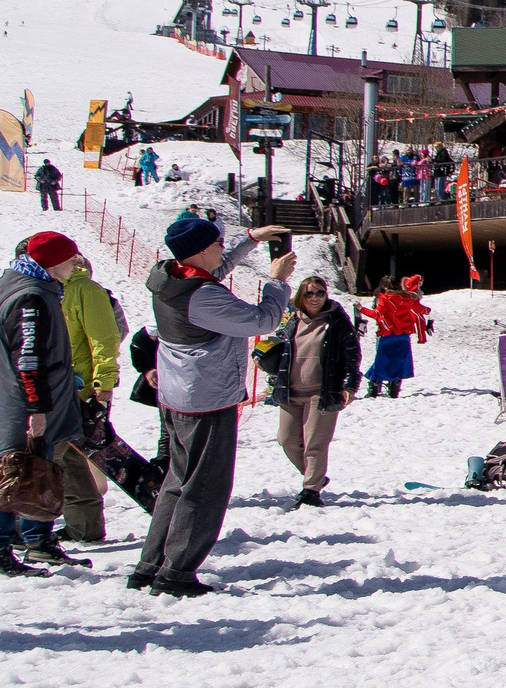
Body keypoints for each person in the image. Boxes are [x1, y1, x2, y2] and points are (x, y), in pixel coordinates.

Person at [132, 215, 294, 597]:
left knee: (178, 481)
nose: (223, 248)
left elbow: (213, 269)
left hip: (179, 393)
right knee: (204, 487)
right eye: (219, 243)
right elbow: (262, 320)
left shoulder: (170, 278)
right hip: (207, 397)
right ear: (202, 250)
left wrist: (250, 238)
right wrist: (277, 282)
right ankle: (177, 573)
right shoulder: (202, 296)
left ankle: (151, 565)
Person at [1, 231, 90, 572]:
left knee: (32, 468)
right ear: (52, 261)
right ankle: (9, 545)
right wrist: (35, 407)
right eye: (70, 258)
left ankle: (38, 540)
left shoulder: (21, 283)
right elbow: (28, 356)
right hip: (24, 400)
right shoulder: (32, 296)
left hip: (22, 395)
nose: (76, 264)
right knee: (18, 471)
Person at [262, 276, 360, 506]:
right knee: (286, 440)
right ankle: (315, 475)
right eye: (309, 294)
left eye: (319, 293)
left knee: (315, 442)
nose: (315, 298)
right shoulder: (292, 322)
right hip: (291, 391)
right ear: (300, 297)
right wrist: (266, 359)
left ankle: (311, 490)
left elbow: (351, 355)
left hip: (322, 391)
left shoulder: (337, 321)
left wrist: (349, 385)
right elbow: (280, 351)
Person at [55, 251, 125, 544]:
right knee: (69, 455)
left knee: (69, 454)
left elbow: (107, 338)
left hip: (77, 387)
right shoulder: (53, 292)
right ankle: (82, 524)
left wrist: (102, 383)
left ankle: (84, 525)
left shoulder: (84, 291)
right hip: (60, 386)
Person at [359, 275, 429, 397]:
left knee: (381, 361)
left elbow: (376, 314)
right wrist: (428, 311)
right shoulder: (408, 298)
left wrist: (361, 309)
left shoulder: (385, 298)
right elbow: (421, 309)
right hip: (403, 336)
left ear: (384, 286)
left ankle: (374, 389)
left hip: (387, 335)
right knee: (398, 362)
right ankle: (394, 389)